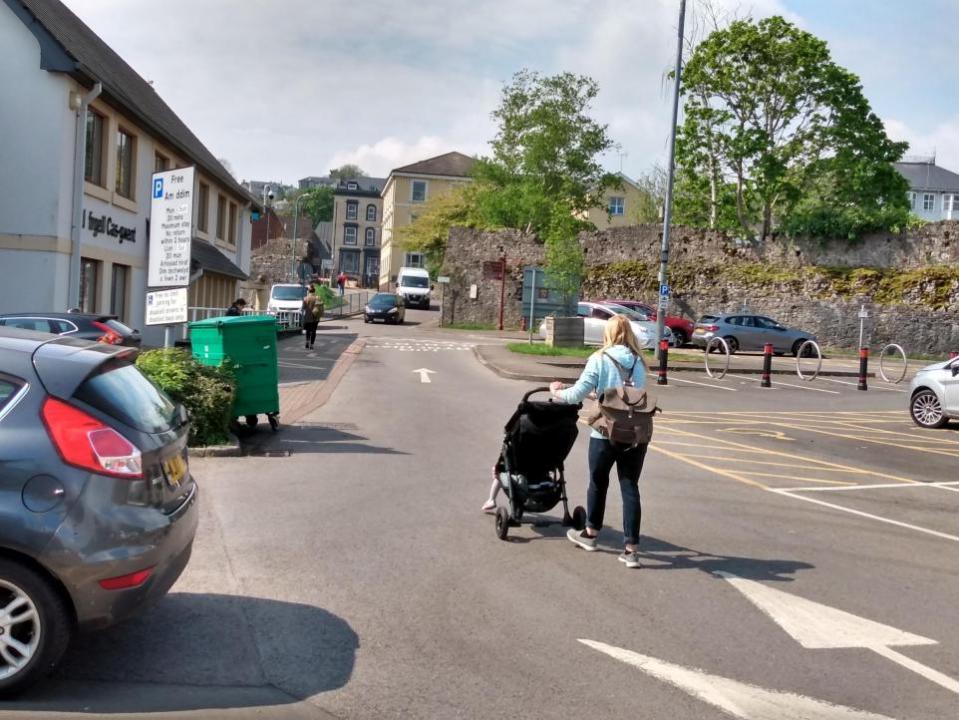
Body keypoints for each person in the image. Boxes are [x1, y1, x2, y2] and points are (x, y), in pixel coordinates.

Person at [549, 314, 650, 569]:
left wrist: (555, 391)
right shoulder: (639, 361)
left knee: (598, 483)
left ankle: (591, 534)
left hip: (605, 432)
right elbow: (628, 396)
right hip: (635, 432)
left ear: (608, 333)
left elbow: (574, 395)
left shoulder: (600, 358)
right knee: (630, 487)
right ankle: (631, 551)